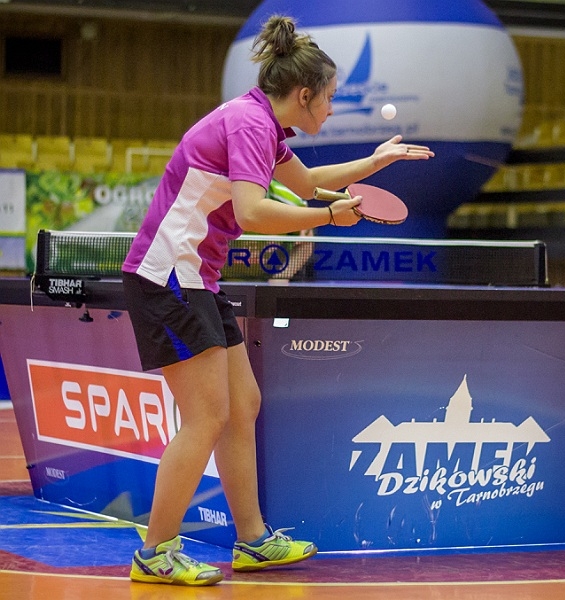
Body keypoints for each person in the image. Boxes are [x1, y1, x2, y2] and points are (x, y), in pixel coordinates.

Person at [122, 15, 433, 586]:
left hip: (198, 278)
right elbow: (252, 211)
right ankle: (155, 551)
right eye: (330, 98)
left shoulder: (263, 124)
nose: (333, 109)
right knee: (207, 417)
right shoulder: (248, 124)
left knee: (242, 404)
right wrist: (328, 217)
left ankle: (253, 541)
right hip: (167, 275)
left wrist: (375, 162)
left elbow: (308, 184)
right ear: (304, 94)